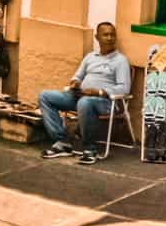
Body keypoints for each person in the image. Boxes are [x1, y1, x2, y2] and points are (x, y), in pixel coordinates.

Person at [39, 22, 131, 164]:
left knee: (85, 102)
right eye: (105, 35)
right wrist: (75, 84)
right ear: (97, 37)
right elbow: (77, 76)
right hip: (79, 96)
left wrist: (99, 92)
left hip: (106, 102)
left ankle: (90, 148)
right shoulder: (90, 57)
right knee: (45, 96)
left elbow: (124, 88)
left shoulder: (120, 61)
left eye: (112, 35)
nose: (109, 38)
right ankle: (62, 142)